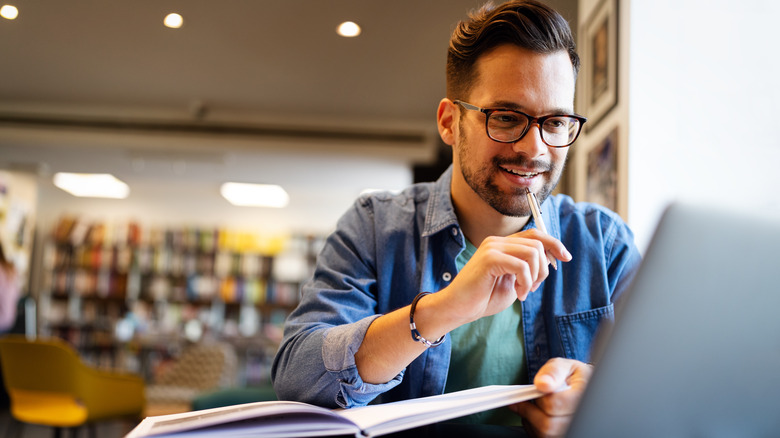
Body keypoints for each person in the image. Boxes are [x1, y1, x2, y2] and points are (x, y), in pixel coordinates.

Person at [272, 1, 642, 436]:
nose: (535, 149)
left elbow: (670, 394)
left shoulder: (605, 243)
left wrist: (602, 404)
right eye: (506, 117)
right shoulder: (374, 227)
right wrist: (439, 311)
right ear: (450, 122)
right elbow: (297, 380)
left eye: (556, 122)